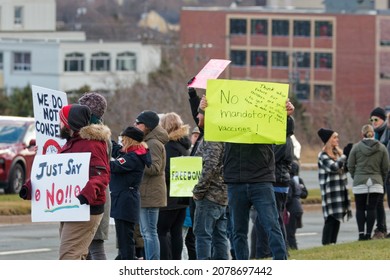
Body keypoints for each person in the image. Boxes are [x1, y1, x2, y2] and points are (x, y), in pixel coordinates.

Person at [201, 96, 294, 260]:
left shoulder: (264, 121)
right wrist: (204, 109)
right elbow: (207, 129)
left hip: (261, 179)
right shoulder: (229, 123)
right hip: (236, 181)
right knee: (238, 231)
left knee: (271, 225)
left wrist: (286, 115)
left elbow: (285, 131)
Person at [20, 104, 111, 260]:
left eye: (61, 120)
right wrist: (29, 187)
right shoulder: (71, 143)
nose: (58, 124)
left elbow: (102, 174)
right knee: (76, 256)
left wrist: (86, 194)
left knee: (69, 257)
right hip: (72, 208)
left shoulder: (92, 144)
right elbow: (55, 174)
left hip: (86, 208)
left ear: (70, 123)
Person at [192, 101, 229, 260]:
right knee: (220, 235)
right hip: (222, 195)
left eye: (200, 113)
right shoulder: (223, 134)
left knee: (203, 235)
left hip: (210, 195)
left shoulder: (213, 137)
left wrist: (198, 191)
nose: (197, 116)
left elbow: (210, 166)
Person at [255, 115, 295, 258]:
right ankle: (278, 250)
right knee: (276, 218)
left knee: (274, 219)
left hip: (277, 183)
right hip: (281, 183)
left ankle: (275, 250)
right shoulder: (287, 140)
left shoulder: (282, 141)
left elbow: (270, 159)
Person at [78, 92, 112, 260]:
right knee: (89, 248)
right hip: (94, 192)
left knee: (95, 247)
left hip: (95, 194)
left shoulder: (96, 139)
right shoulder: (102, 136)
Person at [110, 126, 151, 260]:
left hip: (125, 201)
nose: (122, 143)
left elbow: (115, 166)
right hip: (125, 200)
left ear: (130, 140)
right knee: (124, 238)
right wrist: (107, 140)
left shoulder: (134, 157)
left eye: (124, 140)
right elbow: (118, 151)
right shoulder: (134, 153)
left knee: (125, 240)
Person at [134, 110, 169, 260]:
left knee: (149, 233)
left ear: (146, 126)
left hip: (151, 194)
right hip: (147, 192)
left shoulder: (153, 143)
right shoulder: (148, 141)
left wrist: (136, 161)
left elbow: (155, 168)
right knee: (147, 232)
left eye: (138, 123)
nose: (135, 125)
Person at [157, 112, 192, 260]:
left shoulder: (170, 146)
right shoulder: (184, 145)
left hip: (170, 197)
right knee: (176, 232)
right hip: (183, 196)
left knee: (161, 231)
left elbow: (167, 171)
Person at [347, 124, 389, 241]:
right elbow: (386, 167)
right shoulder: (381, 148)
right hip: (376, 181)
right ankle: (368, 234)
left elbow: (350, 165)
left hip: (360, 181)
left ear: (362, 134)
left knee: (360, 208)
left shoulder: (356, 147)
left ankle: (361, 234)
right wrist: (381, 178)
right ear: (373, 133)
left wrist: (355, 176)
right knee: (372, 208)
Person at [317, 128, 352, 246]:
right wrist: (344, 156)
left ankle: (333, 244)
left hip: (340, 190)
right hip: (330, 192)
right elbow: (334, 167)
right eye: (335, 137)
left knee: (337, 219)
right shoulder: (323, 155)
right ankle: (326, 244)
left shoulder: (338, 154)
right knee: (330, 219)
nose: (337, 139)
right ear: (328, 140)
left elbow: (343, 169)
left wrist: (348, 157)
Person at [369, 107, 389, 239]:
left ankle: (381, 229)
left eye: (376, 119)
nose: (373, 122)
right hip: (378, 173)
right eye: (371, 120)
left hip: (386, 172)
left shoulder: (386, 133)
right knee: (378, 201)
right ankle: (381, 228)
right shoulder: (375, 134)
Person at [285, 161, 308, 250]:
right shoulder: (298, 180)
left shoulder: (289, 180)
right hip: (298, 208)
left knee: (289, 232)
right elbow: (304, 194)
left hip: (291, 209)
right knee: (291, 232)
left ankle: (293, 249)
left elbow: (288, 197)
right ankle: (293, 248)